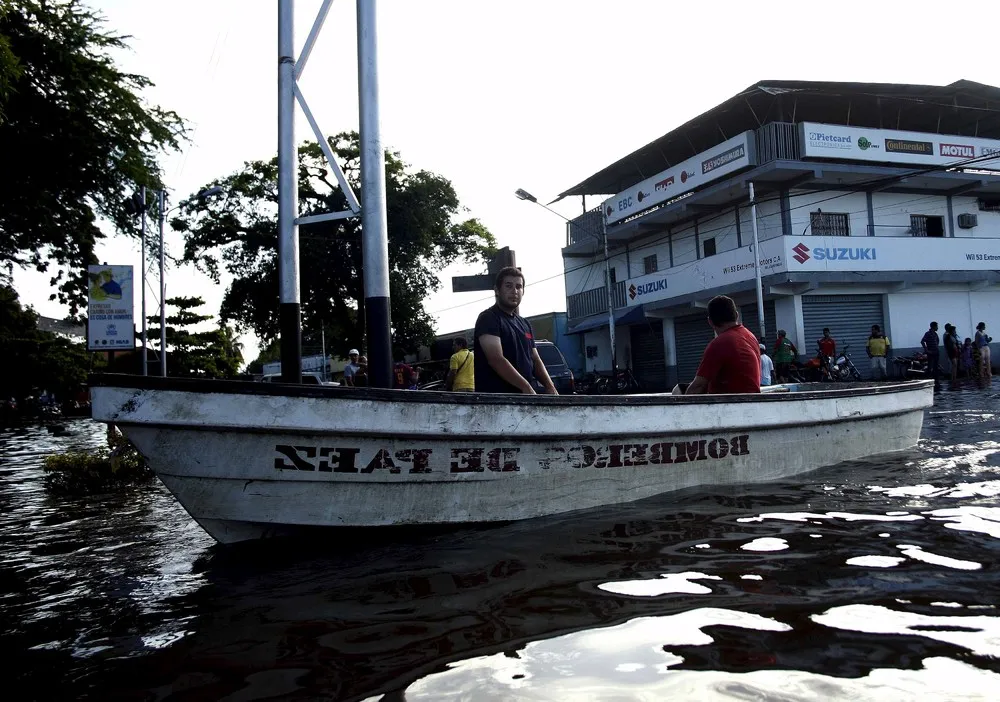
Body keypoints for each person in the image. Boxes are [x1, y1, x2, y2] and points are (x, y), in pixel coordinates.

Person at [474, 266, 557, 394]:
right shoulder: (488, 318)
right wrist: (525, 387)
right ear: (497, 290)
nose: (515, 291)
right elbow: (496, 359)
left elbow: (535, 359)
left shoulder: (524, 323)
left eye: (519, 287)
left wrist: (550, 387)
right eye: (508, 286)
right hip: (496, 401)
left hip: (524, 401)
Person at [685, 295, 760, 394]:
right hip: (752, 399)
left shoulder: (719, 344)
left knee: (678, 390)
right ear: (737, 315)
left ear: (710, 322)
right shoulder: (750, 336)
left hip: (729, 404)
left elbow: (698, 385)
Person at [921, 321, 940, 388]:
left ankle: (936, 380)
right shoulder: (928, 334)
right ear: (934, 326)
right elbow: (922, 341)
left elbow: (937, 341)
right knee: (930, 366)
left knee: (936, 367)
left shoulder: (935, 334)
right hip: (931, 352)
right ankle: (928, 380)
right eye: (937, 326)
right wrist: (926, 350)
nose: (937, 328)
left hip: (936, 352)